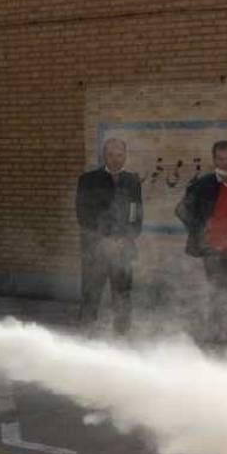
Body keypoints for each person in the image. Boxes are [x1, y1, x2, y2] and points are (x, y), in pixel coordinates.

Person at [176, 140, 227, 353]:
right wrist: (201, 228)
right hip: (214, 252)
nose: (225, 163)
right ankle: (214, 347)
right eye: (221, 159)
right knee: (217, 298)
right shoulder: (201, 183)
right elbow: (181, 210)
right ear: (214, 159)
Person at [75, 138, 143, 334]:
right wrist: (103, 240)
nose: (115, 159)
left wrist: (125, 239)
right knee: (91, 296)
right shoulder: (88, 180)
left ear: (125, 156)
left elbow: (136, 217)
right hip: (95, 252)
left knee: (122, 296)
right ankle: (85, 337)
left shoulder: (132, 181)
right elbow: (83, 215)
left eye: (119, 155)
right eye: (111, 155)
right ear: (104, 156)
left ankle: (121, 337)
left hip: (123, 251)